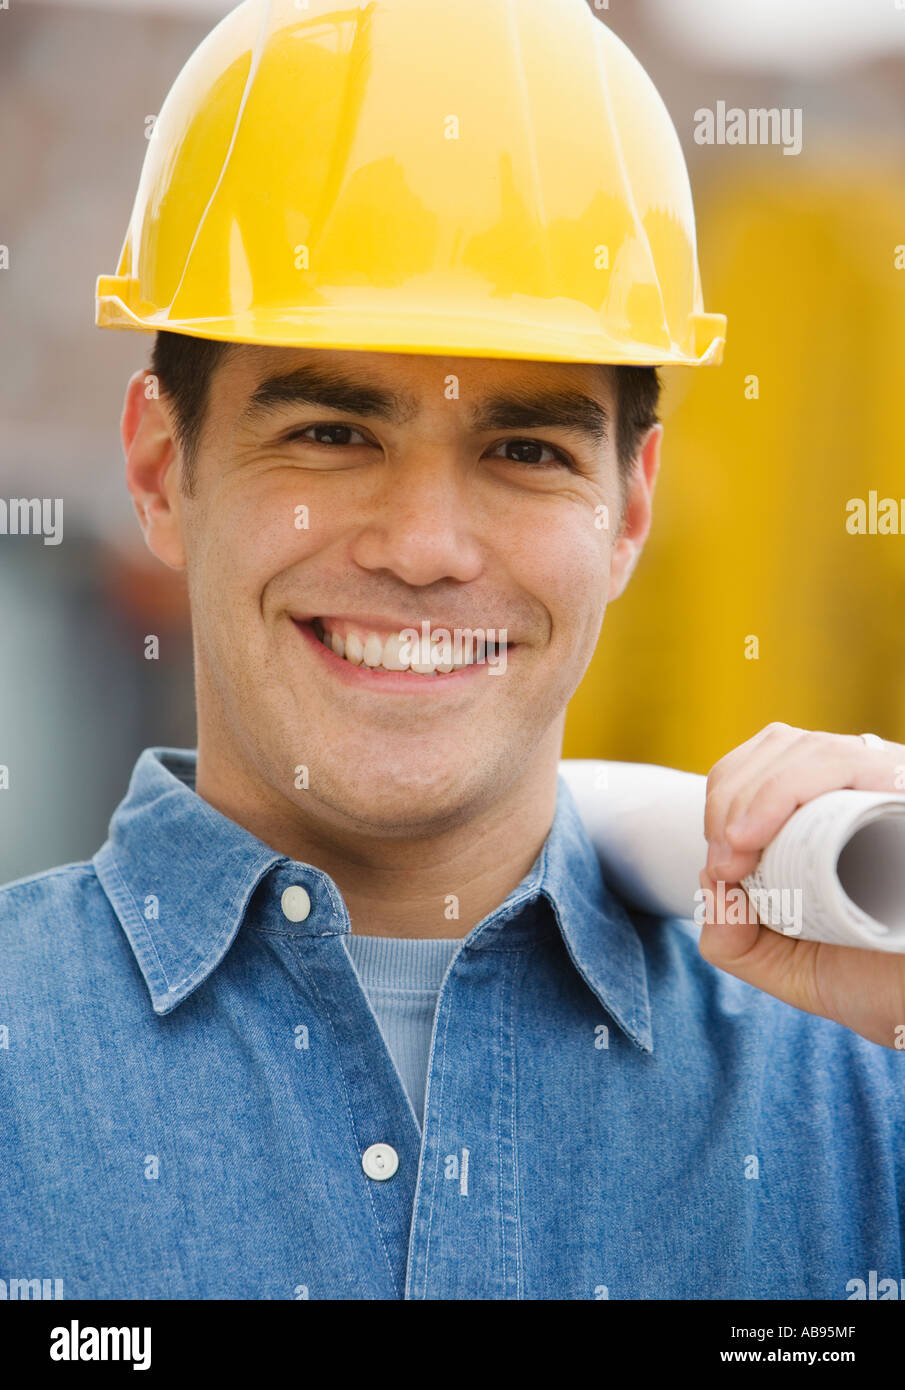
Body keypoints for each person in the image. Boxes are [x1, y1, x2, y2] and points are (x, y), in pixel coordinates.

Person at [2, 0, 903, 1301]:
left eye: (524, 449)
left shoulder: (851, 1075)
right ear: (160, 465)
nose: (424, 545)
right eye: (330, 432)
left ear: (628, 509)